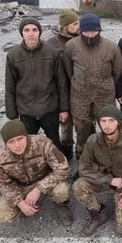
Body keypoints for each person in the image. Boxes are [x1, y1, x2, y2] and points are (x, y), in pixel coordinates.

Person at [73, 105, 122, 237]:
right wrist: (109, 180)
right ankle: (98, 213)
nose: (107, 125)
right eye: (103, 121)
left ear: (118, 122)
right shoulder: (92, 140)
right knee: (79, 186)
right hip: (106, 181)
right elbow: (83, 168)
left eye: (111, 121)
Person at [63, 13, 122, 159]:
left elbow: (117, 71)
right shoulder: (71, 46)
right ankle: (83, 160)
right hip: (80, 98)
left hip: (104, 97)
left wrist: (104, 85)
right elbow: (69, 70)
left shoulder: (111, 47)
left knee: (108, 130)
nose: (90, 34)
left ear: (99, 30)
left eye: (94, 31)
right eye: (86, 31)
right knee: (82, 132)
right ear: (80, 30)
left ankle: (108, 159)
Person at [5, 17, 69, 151]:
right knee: (27, 146)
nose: (31, 33)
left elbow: (61, 83)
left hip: (49, 108)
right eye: (26, 30)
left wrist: (64, 108)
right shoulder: (13, 55)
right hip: (26, 111)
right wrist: (12, 115)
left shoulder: (52, 52)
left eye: (34, 30)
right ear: (22, 33)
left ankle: (59, 163)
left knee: (54, 143)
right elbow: (10, 86)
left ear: (39, 32)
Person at [0, 120, 72, 226]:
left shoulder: (42, 143)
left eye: (20, 139)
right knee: (2, 217)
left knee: (61, 191)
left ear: (26, 136)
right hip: (22, 186)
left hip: (46, 179)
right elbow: (4, 184)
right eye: (11, 142)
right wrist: (19, 202)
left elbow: (63, 168)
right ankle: (25, 208)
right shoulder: (0, 158)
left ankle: (61, 205)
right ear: (6, 144)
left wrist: (38, 189)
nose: (17, 145)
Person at [46, 9, 80, 158]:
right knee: (65, 126)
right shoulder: (51, 44)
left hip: (80, 90)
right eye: (75, 23)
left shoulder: (83, 39)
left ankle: (85, 154)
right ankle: (67, 154)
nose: (78, 26)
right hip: (61, 91)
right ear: (65, 26)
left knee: (84, 125)